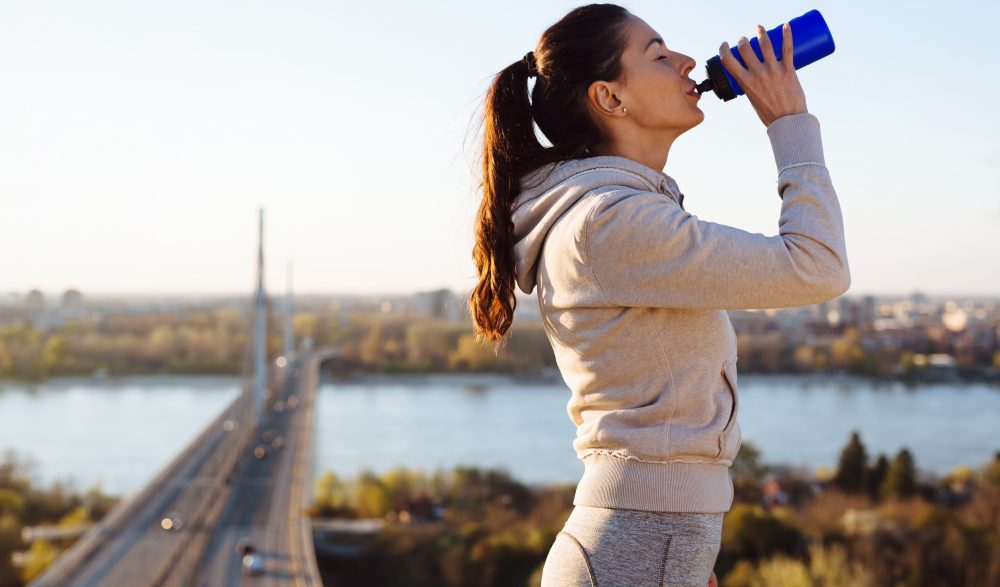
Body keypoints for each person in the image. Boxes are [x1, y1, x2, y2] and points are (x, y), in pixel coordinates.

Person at [468, 4, 849, 586]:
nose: (689, 62)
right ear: (611, 99)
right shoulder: (611, 224)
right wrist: (788, 121)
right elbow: (817, 267)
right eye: (659, 55)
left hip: (646, 544)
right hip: (640, 544)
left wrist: (684, 560)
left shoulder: (618, 214)